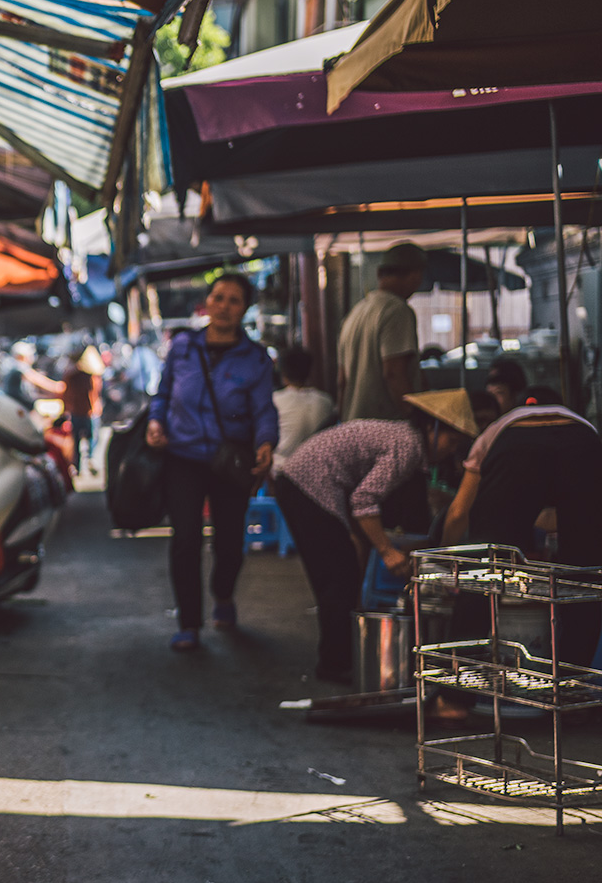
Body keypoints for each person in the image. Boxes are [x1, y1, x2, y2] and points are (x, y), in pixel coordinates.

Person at [273, 390, 477, 684]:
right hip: (308, 485)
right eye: (451, 441)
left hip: (307, 482)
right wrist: (387, 551)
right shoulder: (408, 446)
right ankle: (334, 664)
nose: (450, 450)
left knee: (340, 575)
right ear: (431, 429)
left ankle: (340, 658)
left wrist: (370, 543)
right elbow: (364, 500)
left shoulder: (406, 440)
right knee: (338, 578)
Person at [147, 274, 278, 651]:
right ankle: (189, 623)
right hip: (182, 457)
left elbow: (264, 410)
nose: (224, 306)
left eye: (234, 300)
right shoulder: (183, 346)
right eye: (218, 297)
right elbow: (162, 394)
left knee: (230, 541)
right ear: (207, 301)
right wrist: (155, 422)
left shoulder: (255, 359)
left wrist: (266, 442)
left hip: (229, 460)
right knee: (185, 538)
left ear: (244, 309)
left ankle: (223, 594)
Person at [439, 388, 602, 682]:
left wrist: (444, 559)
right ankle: (571, 684)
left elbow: (459, 512)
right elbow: (569, 518)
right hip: (584, 447)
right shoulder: (583, 427)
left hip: (515, 448)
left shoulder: (500, 428)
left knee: (485, 561)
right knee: (586, 573)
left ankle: (455, 695)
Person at [337, 242, 426, 421]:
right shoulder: (396, 309)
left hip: (353, 424)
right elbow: (393, 373)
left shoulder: (356, 312)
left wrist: (343, 419)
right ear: (415, 275)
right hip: (386, 425)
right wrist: (415, 417)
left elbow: (341, 380)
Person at [271, 344, 334, 475]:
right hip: (318, 471)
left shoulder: (275, 400)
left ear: (283, 374)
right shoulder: (326, 400)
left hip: (284, 471)